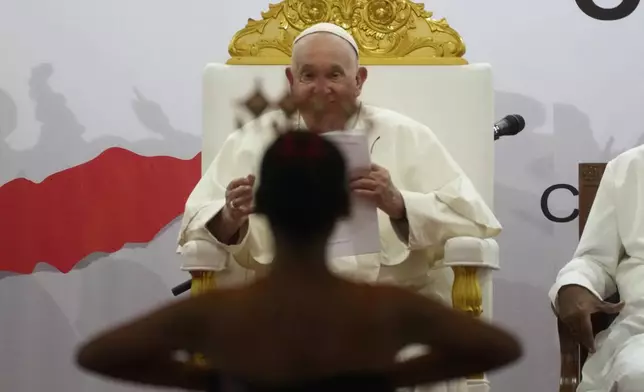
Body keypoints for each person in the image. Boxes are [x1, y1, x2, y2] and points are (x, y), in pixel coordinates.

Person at [77, 131, 522, 392]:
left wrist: (213, 383)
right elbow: (500, 347)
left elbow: (99, 354)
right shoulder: (382, 309)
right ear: (345, 209)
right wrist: (386, 378)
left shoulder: (221, 312)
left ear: (263, 206)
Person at [178, 22, 500, 298]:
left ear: (359, 79)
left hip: (384, 310)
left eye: (335, 75)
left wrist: (400, 204)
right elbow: (198, 224)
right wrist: (232, 216)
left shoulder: (406, 135)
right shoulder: (252, 141)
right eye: (308, 76)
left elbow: (473, 219)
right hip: (283, 310)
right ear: (291, 82)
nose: (321, 89)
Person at [550, 145, 644, 391]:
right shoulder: (629, 168)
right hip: (642, 332)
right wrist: (574, 285)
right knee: (638, 375)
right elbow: (595, 260)